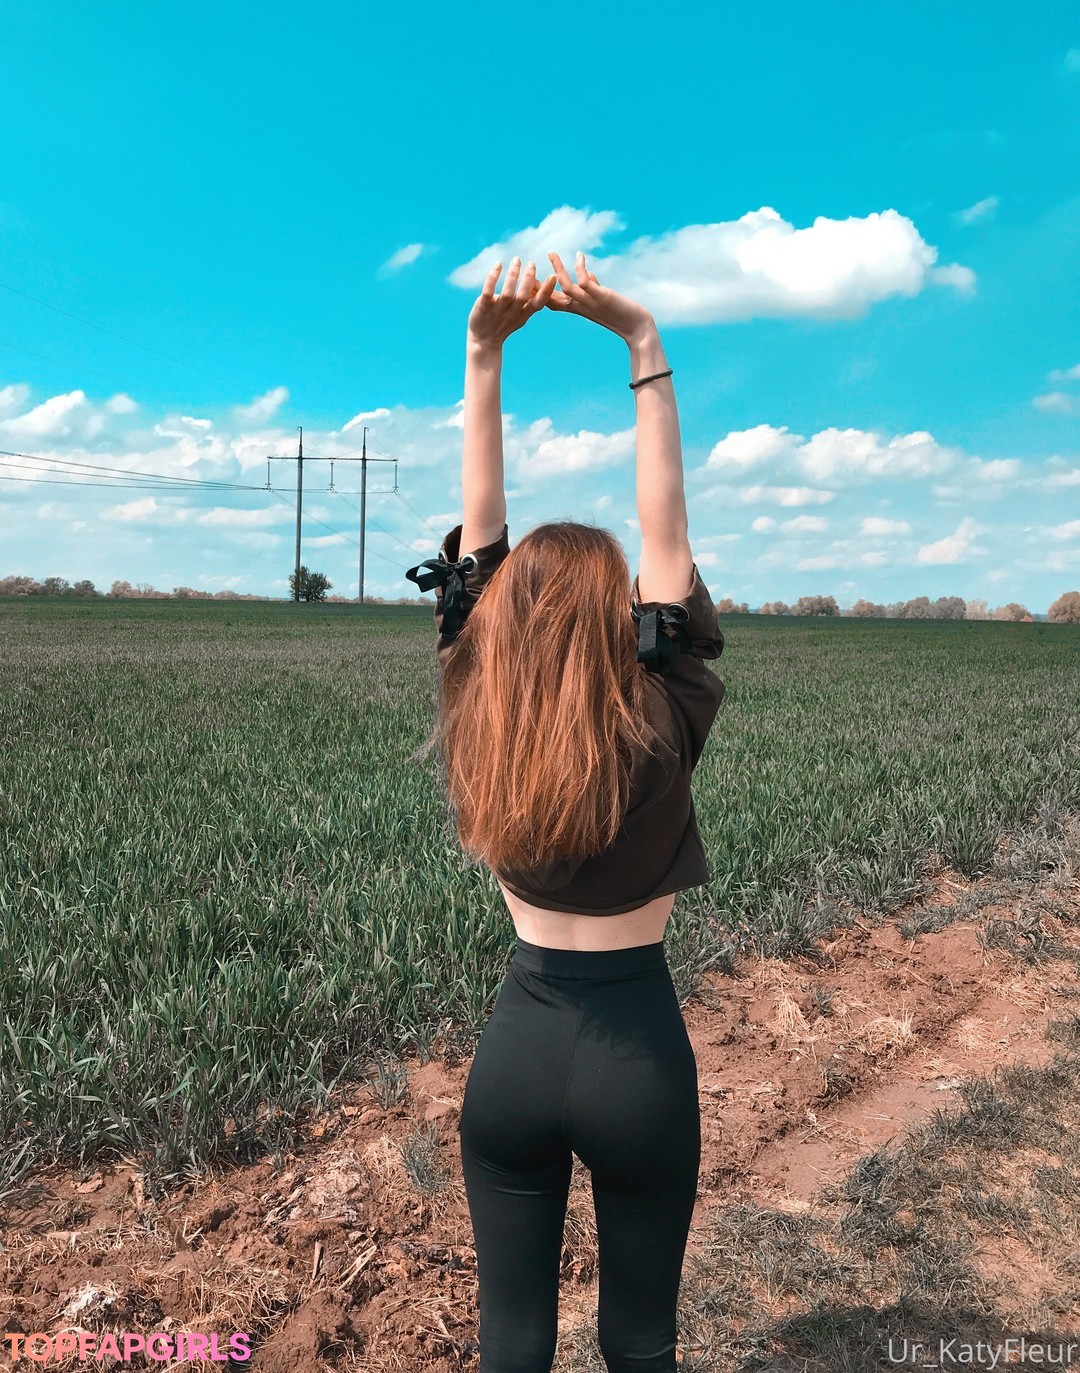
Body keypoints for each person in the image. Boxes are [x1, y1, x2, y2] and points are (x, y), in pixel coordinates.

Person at [405, 250, 727, 1373]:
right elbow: (667, 542)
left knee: (511, 1343)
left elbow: (478, 551)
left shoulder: (479, 717)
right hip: (640, 1062)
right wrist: (643, 346)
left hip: (515, 1060)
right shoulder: (662, 717)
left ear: (493, 633)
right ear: (623, 620)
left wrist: (482, 352)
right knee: (640, 1340)